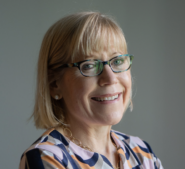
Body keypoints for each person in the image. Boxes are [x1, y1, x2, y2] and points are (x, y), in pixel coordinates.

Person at [19, 12, 163, 169]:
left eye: (118, 61)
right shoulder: (47, 158)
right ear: (54, 83)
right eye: (89, 65)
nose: (110, 78)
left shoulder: (142, 152)